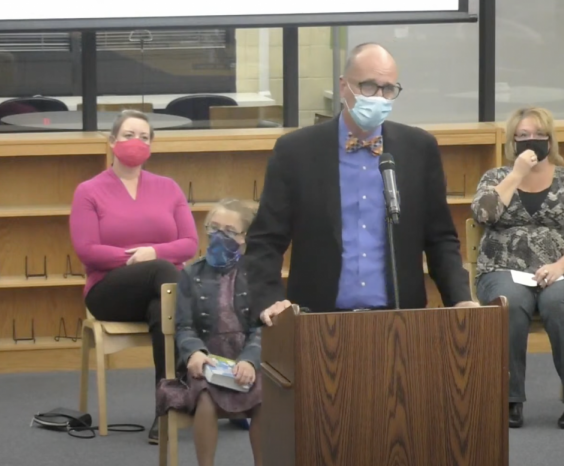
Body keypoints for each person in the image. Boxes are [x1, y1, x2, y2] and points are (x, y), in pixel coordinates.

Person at [247, 42, 477, 325]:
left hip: (400, 319)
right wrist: (269, 301)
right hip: (317, 319)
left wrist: (460, 298)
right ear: (344, 87)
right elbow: (265, 240)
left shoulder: (419, 149)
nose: (379, 97)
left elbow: (440, 237)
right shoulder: (296, 151)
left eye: (388, 89)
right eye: (369, 87)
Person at [69, 110, 198, 444]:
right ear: (112, 142)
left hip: (161, 292)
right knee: (165, 273)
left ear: (152, 145)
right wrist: (138, 259)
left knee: (161, 308)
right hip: (109, 292)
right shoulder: (89, 191)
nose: (136, 142)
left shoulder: (168, 188)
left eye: (144, 136)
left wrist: (153, 253)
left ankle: (166, 408)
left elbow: (190, 244)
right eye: (128, 135)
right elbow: (87, 250)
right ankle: (193, 374)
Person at [471, 106, 564, 429]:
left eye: (540, 135)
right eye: (524, 136)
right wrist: (516, 174)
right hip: (502, 269)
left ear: (550, 139)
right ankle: (510, 399)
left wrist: (560, 266)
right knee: (511, 303)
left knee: (557, 303)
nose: (533, 141)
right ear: (512, 141)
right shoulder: (495, 177)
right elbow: (482, 215)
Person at [156, 199, 262, 466]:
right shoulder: (191, 274)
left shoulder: (257, 274)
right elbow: (185, 326)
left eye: (228, 231)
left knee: (266, 398)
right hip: (207, 361)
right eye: (214, 228)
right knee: (205, 396)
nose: (219, 236)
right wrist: (194, 353)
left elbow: (261, 327)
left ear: (243, 238)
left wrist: (250, 359)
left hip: (246, 360)